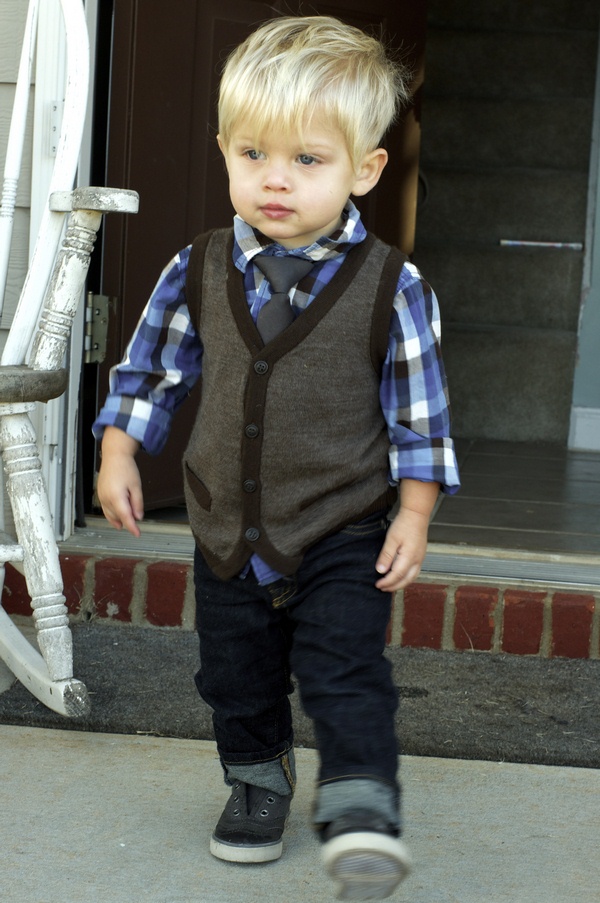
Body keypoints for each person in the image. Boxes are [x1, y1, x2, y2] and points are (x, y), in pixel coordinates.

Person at [93, 15, 460, 901]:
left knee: (344, 662)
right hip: (227, 522)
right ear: (224, 150)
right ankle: (258, 780)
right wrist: (118, 451)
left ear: (365, 169)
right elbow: (151, 370)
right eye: (253, 153)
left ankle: (360, 801)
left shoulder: (393, 287)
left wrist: (414, 513)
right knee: (234, 672)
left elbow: (420, 415)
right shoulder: (196, 268)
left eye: (307, 159)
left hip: (344, 523)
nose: (275, 178)